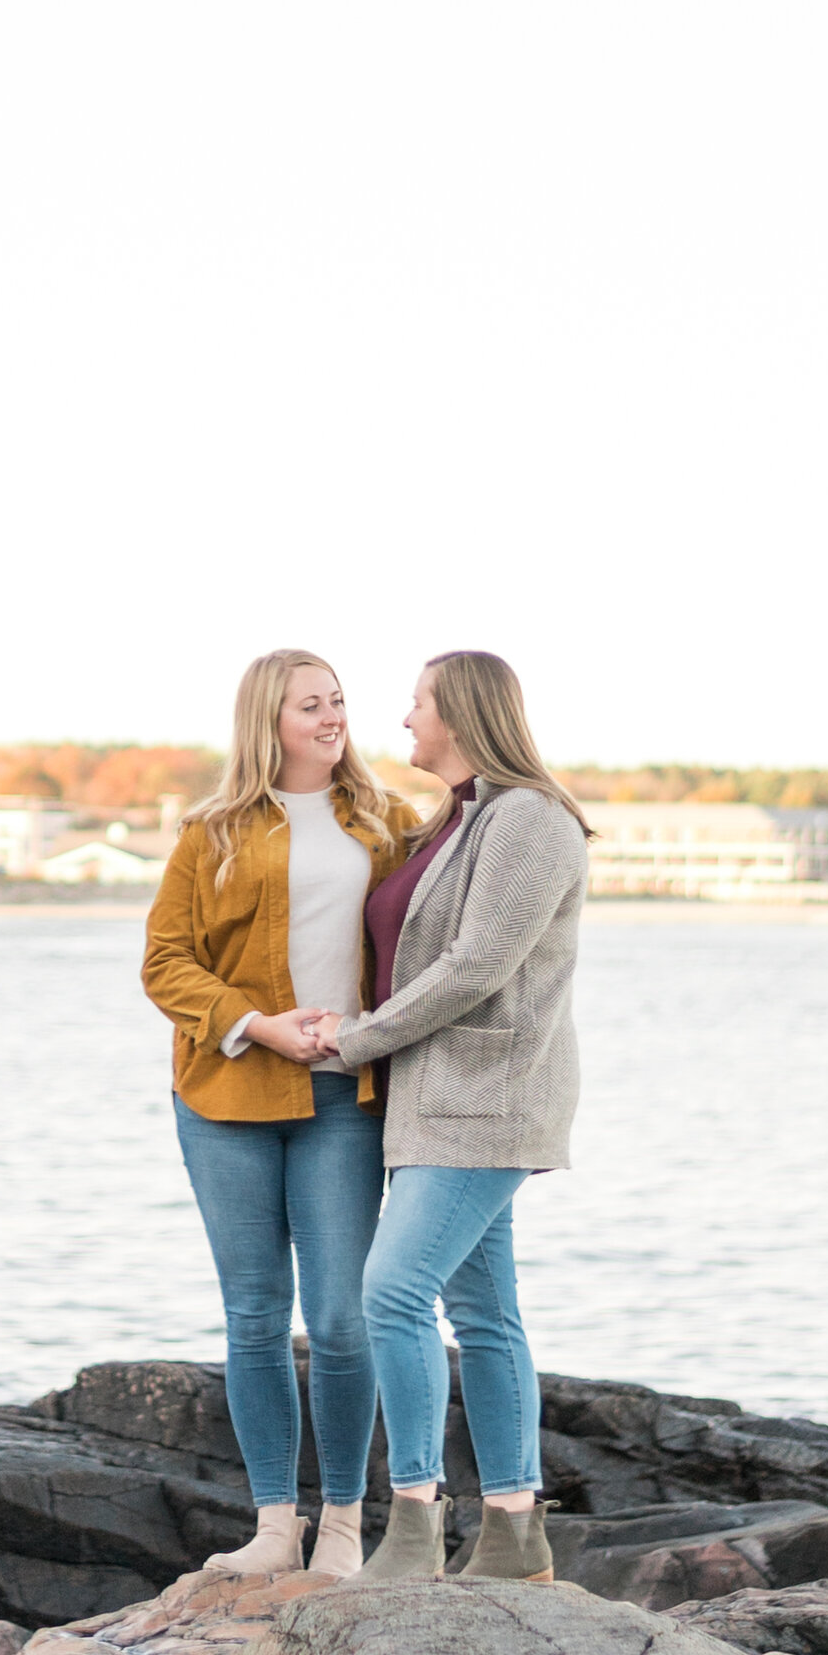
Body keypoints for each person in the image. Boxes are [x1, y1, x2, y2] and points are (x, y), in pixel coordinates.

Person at [279, 648, 589, 1586]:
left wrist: (356, 1040)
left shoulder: (529, 820)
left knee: (392, 1293)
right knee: (485, 1312)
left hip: (487, 1100)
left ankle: (413, 1520)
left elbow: (475, 966)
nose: (404, 720)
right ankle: (514, 1534)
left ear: (460, 711)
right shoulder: (454, 823)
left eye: (417, 703)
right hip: (429, 1104)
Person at [142, 650, 416, 1580]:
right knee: (256, 1315)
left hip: (344, 1096)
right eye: (311, 705)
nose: (332, 717)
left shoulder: (388, 824)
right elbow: (165, 964)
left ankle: (342, 1523)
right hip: (226, 1098)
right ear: (270, 719)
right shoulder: (208, 832)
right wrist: (257, 1025)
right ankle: (273, 1526)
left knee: (343, 1318)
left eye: (338, 701)